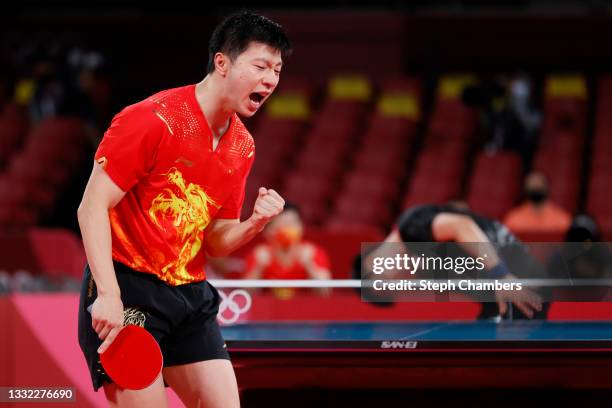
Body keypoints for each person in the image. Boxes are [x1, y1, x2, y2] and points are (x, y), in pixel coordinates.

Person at [77, 12, 291, 408]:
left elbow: (215, 241)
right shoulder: (152, 119)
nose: (271, 80)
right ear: (222, 63)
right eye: (260, 66)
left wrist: (255, 223)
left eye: (277, 70)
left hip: (191, 297)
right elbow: (91, 208)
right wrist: (108, 294)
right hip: (130, 289)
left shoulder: (242, 146)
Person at [355, 203, 546, 319]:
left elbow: (461, 225)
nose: (398, 285)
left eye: (387, 285)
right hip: (515, 294)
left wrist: (501, 276)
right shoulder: (427, 269)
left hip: (515, 280)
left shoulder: (411, 228)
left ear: (372, 263)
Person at [244, 203, 331, 298]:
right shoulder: (259, 254)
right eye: (284, 224)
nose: (289, 229)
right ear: (269, 231)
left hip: (304, 310)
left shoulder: (313, 253)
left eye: (292, 223)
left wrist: (310, 266)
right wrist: (258, 268)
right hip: (270, 310)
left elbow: (325, 292)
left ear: (301, 228)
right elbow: (245, 295)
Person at [503, 171, 572, 236]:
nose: (536, 186)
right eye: (532, 184)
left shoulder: (562, 220)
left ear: (547, 187)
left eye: (539, 183)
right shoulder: (513, 220)